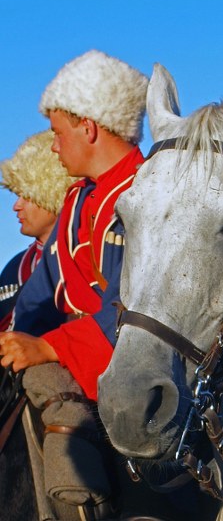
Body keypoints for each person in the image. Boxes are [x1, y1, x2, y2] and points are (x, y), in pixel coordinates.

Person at [0, 49, 148, 400]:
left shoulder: (148, 193)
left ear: (88, 127)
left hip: (126, 367)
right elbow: (40, 292)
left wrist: (50, 347)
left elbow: (134, 303)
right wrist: (13, 344)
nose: (53, 147)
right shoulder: (78, 199)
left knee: (59, 409)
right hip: (72, 352)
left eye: (57, 133)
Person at [0, 130, 74, 331]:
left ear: (54, 194)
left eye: (27, 196)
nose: (16, 206)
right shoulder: (14, 267)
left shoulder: (82, 259)